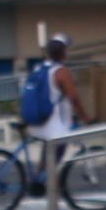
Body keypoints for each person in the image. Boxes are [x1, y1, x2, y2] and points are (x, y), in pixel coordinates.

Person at [18, 35, 79, 189]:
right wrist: (86, 117)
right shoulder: (61, 71)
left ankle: (40, 183)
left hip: (35, 121)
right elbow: (73, 97)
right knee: (57, 155)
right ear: (63, 52)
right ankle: (51, 192)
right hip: (52, 124)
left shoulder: (38, 68)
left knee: (47, 155)